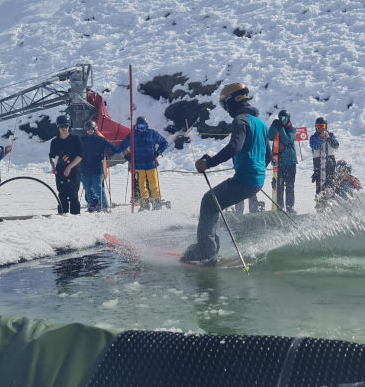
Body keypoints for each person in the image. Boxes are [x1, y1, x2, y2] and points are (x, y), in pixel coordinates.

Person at [183, 82, 272, 265]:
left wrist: (208, 163)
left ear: (232, 102)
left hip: (245, 180)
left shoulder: (240, 121)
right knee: (214, 202)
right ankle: (210, 247)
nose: (226, 110)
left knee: (208, 201)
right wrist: (256, 171)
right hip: (256, 180)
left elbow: (234, 147)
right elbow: (268, 155)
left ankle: (206, 250)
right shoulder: (260, 123)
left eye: (225, 106)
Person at [113, 116, 170, 210]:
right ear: (137, 126)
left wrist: (159, 151)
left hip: (151, 163)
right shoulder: (132, 135)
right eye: (140, 126)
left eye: (143, 126)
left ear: (146, 126)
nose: (141, 128)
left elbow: (164, 143)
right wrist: (113, 150)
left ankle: (156, 202)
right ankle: (145, 202)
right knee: (141, 185)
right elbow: (122, 146)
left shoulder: (152, 134)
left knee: (153, 184)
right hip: (139, 165)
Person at [49, 115, 83, 215]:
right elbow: (52, 156)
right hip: (60, 170)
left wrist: (69, 167)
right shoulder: (55, 141)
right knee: (62, 195)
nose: (64, 128)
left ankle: (75, 217)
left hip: (74, 169)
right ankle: (62, 216)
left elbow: (80, 156)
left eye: (66, 126)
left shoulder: (75, 139)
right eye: (61, 126)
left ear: (69, 126)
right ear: (58, 127)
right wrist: (53, 166)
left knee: (73, 195)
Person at [79, 120, 114, 213]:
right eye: (88, 129)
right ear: (85, 129)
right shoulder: (81, 140)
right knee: (87, 188)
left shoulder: (100, 139)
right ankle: (93, 204)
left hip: (97, 168)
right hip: (85, 168)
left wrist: (108, 152)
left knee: (97, 187)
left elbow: (111, 148)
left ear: (95, 129)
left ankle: (105, 205)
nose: (89, 130)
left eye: (91, 129)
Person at [267, 110, 298, 212]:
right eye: (281, 118)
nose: (283, 120)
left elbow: (287, 140)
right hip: (279, 163)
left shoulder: (292, 129)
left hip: (290, 163)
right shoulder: (278, 126)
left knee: (289, 186)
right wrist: (273, 125)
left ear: (288, 118)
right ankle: (280, 208)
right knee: (279, 186)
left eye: (285, 118)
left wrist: (280, 128)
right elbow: (270, 136)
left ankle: (290, 208)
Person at [310, 117, 339, 200]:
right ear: (316, 127)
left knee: (330, 185)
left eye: (322, 126)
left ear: (326, 126)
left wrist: (329, 138)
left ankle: (331, 203)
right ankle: (320, 206)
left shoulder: (331, 135)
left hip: (330, 163)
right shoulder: (313, 137)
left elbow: (336, 145)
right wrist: (320, 138)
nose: (321, 129)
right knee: (319, 187)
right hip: (318, 164)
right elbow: (314, 146)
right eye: (319, 126)